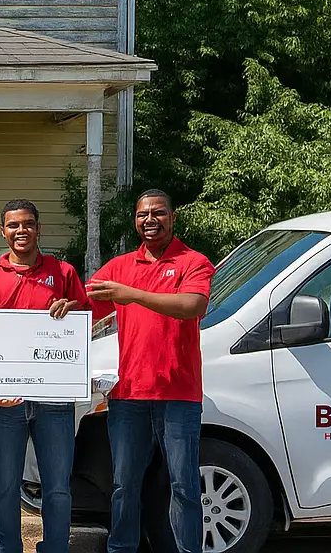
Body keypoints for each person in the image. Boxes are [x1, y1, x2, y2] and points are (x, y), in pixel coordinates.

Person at [86, 190, 215, 553]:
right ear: (135, 220)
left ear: (173, 218)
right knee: (124, 483)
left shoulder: (193, 262)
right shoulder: (120, 266)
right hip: (129, 394)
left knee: (185, 486)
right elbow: (85, 308)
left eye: (158, 213)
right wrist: (65, 307)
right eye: (143, 215)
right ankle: (122, 547)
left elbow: (192, 305)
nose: (150, 220)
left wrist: (134, 294)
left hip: (179, 394)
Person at [0, 200, 86, 553]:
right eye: (14, 225)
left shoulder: (63, 273)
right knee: (6, 483)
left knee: (58, 486)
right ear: (2, 231)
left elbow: (86, 319)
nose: (22, 231)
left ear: (39, 228)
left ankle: (55, 547)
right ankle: (8, 547)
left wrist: (74, 308)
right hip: (5, 400)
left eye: (29, 224)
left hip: (54, 399)